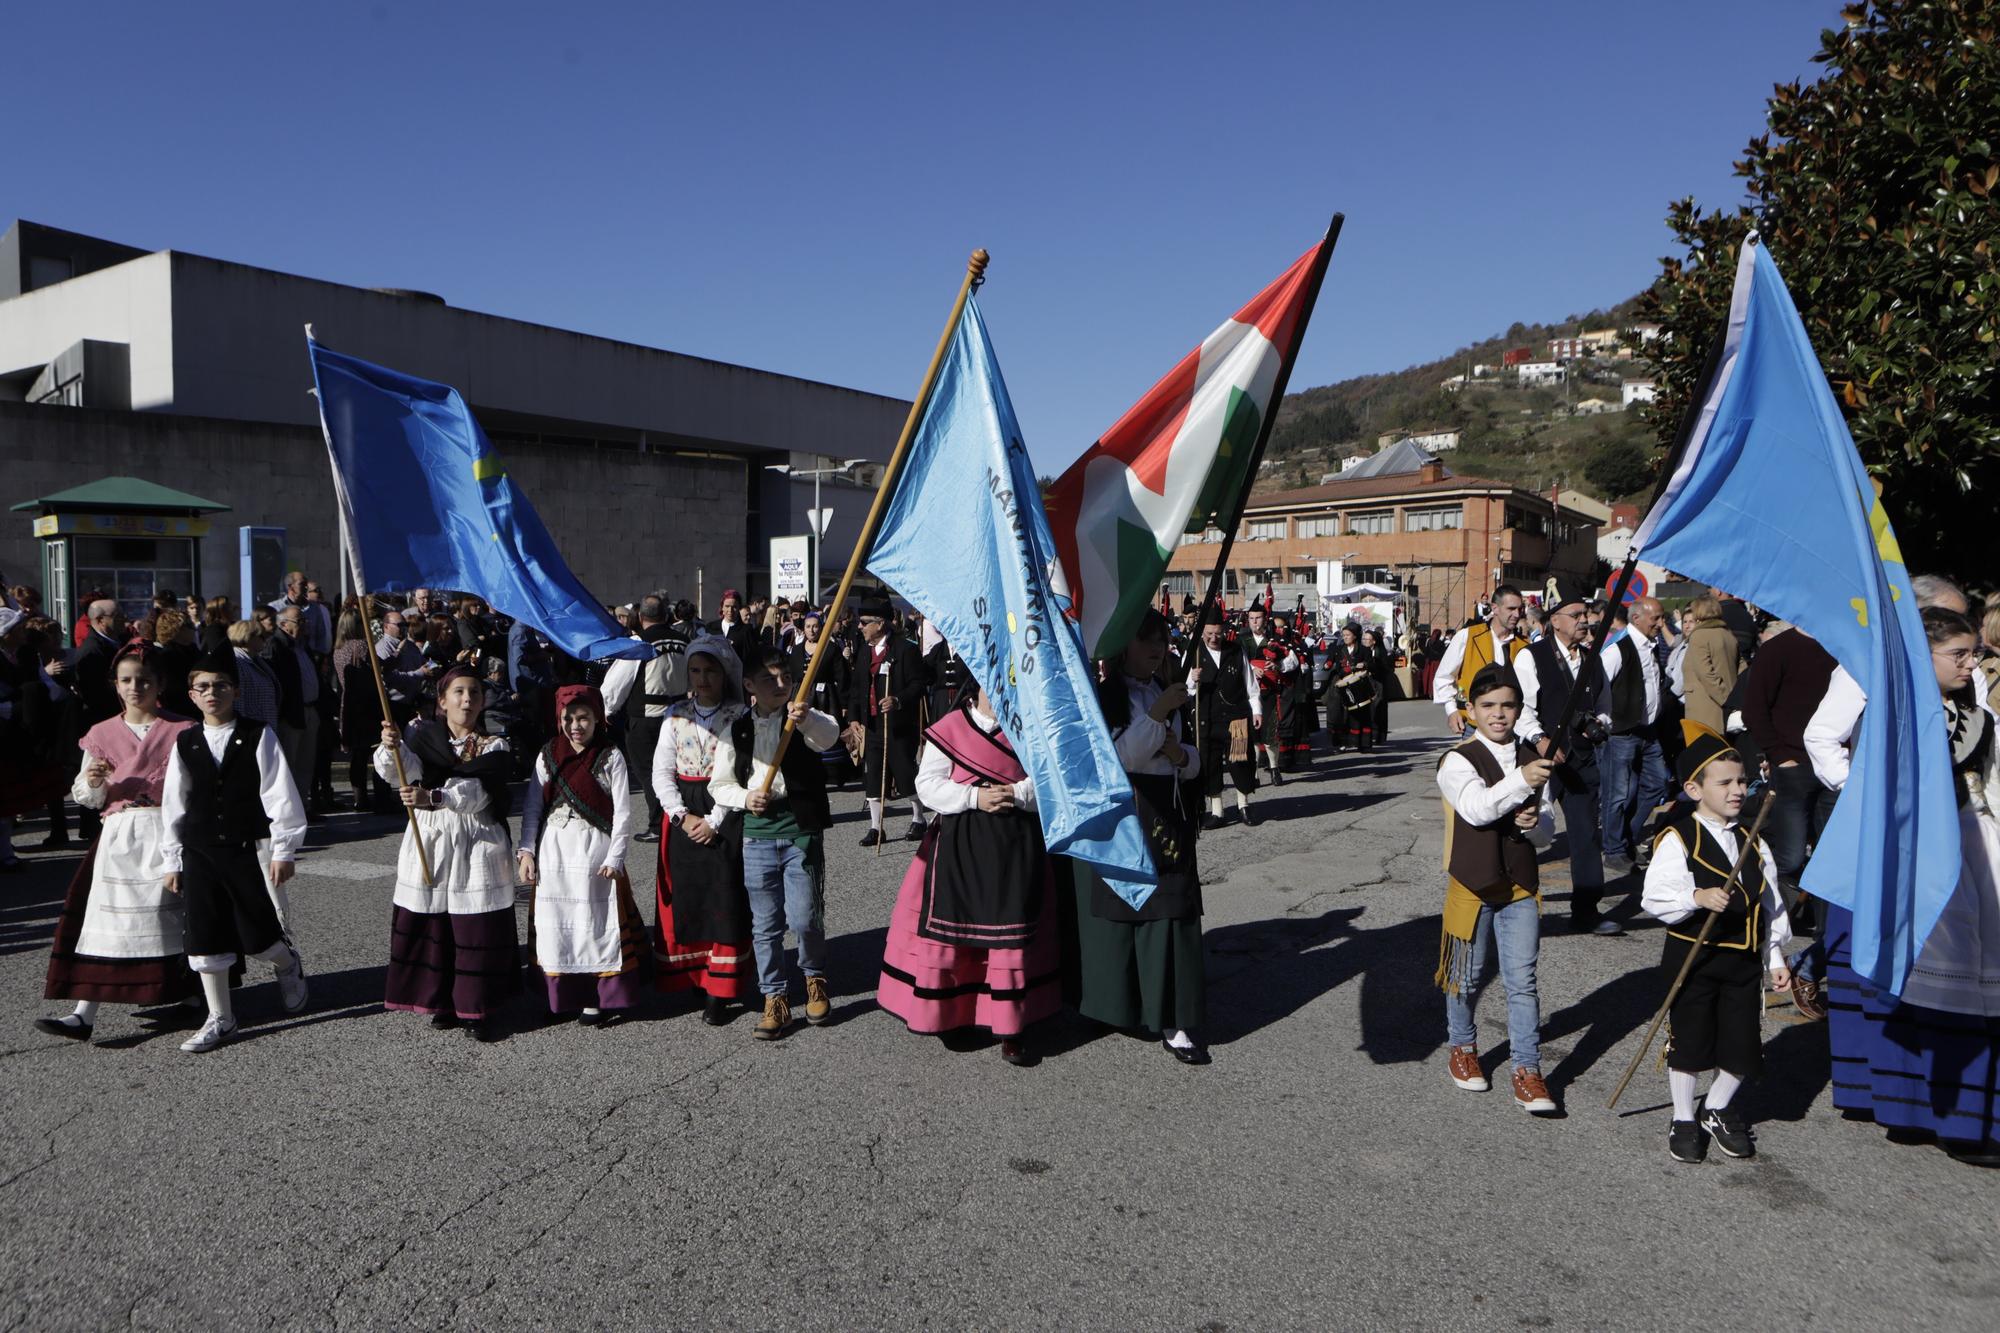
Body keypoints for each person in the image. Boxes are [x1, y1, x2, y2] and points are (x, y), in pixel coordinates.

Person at [1818, 607, 2000, 1165]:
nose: (1973, 665)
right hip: (1918, 844)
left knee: (1979, 972)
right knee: (1934, 976)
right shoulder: (1883, 684)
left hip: (1977, 836)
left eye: (1975, 653)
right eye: (1960, 654)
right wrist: (1873, 800)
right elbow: (1823, 738)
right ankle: (1942, 1117)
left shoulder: (1976, 699)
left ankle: (1970, 1114)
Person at [877, 683, 1056, 1065]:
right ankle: (951, 1013)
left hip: (1014, 843)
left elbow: (1048, 780)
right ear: (977, 685)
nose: (1003, 690)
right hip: (959, 843)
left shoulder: (1030, 727)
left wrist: (1016, 794)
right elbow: (927, 786)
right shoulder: (951, 725)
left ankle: (1011, 1026)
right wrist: (975, 797)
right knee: (954, 930)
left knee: (1010, 934)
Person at [1640, 722, 1792, 1162]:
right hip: (1695, 958)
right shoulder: (1678, 838)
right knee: (1691, 1041)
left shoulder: (1752, 840)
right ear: (1693, 788)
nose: (1737, 790)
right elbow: (1655, 896)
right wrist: (1696, 896)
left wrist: (1775, 956)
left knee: (1743, 1044)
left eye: (1742, 780)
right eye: (1724, 782)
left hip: (1743, 962)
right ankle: (1684, 1116)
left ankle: (1717, 1107)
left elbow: (1772, 906)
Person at [36, 644, 201, 1040]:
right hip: (120, 835)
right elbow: (86, 794)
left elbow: (199, 785)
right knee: (107, 921)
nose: (134, 687)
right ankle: (83, 1014)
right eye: (126, 680)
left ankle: (195, 998)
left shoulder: (183, 729)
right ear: (115, 685)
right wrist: (94, 783)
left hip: (167, 831)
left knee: (173, 917)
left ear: (160, 684)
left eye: (143, 680)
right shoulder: (101, 734)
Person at [1069, 610, 1210, 1063]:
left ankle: (1174, 1019)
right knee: (1119, 906)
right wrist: (1156, 716)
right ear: (1123, 646)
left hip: (1168, 810)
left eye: (1162, 641)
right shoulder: (1107, 696)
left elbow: (1192, 762)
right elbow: (1119, 759)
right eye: (1146, 640)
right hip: (1126, 813)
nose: (1156, 649)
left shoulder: (1164, 692)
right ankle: (1114, 1005)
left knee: (1170, 909)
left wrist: (1180, 753)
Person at [157, 646, 310, 1053]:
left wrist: (284, 850)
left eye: (220, 685)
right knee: (205, 938)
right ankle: (221, 1018)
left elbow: (279, 795)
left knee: (258, 935)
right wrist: (172, 858)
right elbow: (175, 802)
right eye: (203, 687)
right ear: (191, 694)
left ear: (235, 691)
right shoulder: (185, 741)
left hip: (247, 848)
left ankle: (287, 963)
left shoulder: (260, 734)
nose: (212, 693)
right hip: (201, 850)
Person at [1434, 664, 1559, 1115]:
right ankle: (1462, 1046)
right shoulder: (1458, 759)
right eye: (1488, 705)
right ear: (1471, 710)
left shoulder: (1531, 758)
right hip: (1471, 883)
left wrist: (1534, 824)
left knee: (1522, 982)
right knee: (1464, 976)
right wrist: (1520, 784)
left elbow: (1548, 830)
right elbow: (1475, 809)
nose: (1499, 714)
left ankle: (1527, 1068)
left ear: (1519, 709)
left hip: (1521, 885)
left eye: (1508, 705)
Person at [375, 664, 519, 1040]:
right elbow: (400, 772)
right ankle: (441, 1000)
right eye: (458, 692)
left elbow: (479, 793)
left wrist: (434, 796)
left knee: (473, 926)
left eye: (474, 692)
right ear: (442, 700)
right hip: (433, 838)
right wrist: (392, 748)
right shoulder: (421, 738)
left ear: (483, 700)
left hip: (476, 839)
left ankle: (476, 1006)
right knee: (435, 922)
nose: (467, 699)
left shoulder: (495, 745)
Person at [708, 646, 843, 1040]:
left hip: (800, 829)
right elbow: (720, 785)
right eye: (770, 679)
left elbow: (829, 736)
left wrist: (807, 719)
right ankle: (775, 998)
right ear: (749, 685)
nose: (781, 685)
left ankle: (815, 978)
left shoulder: (802, 716)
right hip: (758, 835)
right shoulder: (737, 729)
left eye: (786, 677)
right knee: (766, 925)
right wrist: (746, 798)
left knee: (804, 917)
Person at [518, 685, 644, 1026]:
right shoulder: (547, 755)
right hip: (554, 852)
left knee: (593, 923)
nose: (576, 725)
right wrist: (527, 851)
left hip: (594, 852)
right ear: (559, 719)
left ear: (597, 717)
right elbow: (532, 806)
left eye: (584, 717)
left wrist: (615, 857)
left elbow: (622, 812)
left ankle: (593, 997)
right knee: (555, 923)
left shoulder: (610, 755)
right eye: (568, 718)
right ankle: (557, 995)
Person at [649, 633, 756, 1022]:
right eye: (695, 670)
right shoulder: (674, 713)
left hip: (723, 809)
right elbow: (661, 771)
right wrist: (679, 815)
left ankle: (721, 988)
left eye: (710, 670)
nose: (702, 678)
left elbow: (742, 772)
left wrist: (714, 820)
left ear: (724, 672)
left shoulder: (740, 715)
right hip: (683, 810)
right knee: (687, 897)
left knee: (724, 898)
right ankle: (692, 976)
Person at [1741, 620, 1839, 1020]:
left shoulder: (1842, 646)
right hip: (1793, 765)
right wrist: (1778, 752)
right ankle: (1767, 927)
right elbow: (1753, 707)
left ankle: (1822, 942)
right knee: (1792, 857)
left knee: (1832, 862)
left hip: (1833, 769)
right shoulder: (1779, 649)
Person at [1515, 582, 1614, 934]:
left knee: (1586, 834)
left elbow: (1604, 708)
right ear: (1555, 620)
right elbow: (1521, 709)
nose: (1584, 620)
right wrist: (1539, 738)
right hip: (1541, 758)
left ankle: (1587, 908)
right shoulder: (1532, 655)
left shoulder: (1592, 658)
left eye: (1586, 614)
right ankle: (1516, 904)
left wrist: (1598, 726)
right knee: (1528, 830)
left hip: (1581, 759)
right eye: (1577, 615)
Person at [843, 601, 929, 845]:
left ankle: (918, 818)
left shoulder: (904, 649)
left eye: (864, 623)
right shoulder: (863, 650)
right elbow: (857, 686)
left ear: (880, 624)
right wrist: (854, 717)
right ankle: (875, 827)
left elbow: (918, 684)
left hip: (898, 725)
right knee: (873, 776)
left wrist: (898, 700)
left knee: (904, 771)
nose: (859, 627)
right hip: (871, 725)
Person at [1598, 598, 1671, 878]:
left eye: (1662, 618)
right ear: (1638, 618)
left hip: (1648, 730)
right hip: (1622, 732)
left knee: (1656, 783)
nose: (1660, 624)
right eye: (1656, 619)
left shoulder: (1649, 646)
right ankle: (1614, 849)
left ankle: (1625, 837)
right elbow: (1599, 685)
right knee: (1618, 793)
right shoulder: (1619, 649)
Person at [1191, 607, 1262, 827]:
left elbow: (1251, 684)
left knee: (1240, 761)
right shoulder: (1193, 652)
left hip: (1236, 717)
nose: (1214, 638)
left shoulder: (1236, 650)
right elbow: (1182, 689)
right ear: (1202, 631)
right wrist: (1192, 680)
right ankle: (1217, 811)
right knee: (1210, 764)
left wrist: (1256, 709)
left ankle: (1244, 806)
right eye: (1210, 634)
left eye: (1218, 634)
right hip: (1207, 718)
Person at [1431, 585, 1526, 736]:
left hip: (1512, 729)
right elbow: (1443, 676)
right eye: (1511, 608)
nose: (1517, 614)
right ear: (1495, 608)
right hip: (1474, 727)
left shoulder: (1525, 645)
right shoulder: (1468, 636)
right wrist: (1452, 710)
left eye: (1520, 609)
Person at [1241, 604, 1293, 787]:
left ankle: (1274, 768)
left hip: (1269, 692)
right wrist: (1252, 669)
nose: (1254, 622)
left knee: (1270, 734)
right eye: (1251, 618)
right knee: (1253, 736)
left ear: (1265, 619)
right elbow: (1235, 662)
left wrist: (1278, 665)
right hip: (1248, 694)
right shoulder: (1241, 640)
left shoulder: (1276, 639)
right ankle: (1254, 772)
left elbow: (1292, 660)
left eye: (1258, 618)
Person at [1680, 595, 1742, 736]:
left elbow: (1706, 674)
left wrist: (1726, 701)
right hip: (1723, 706)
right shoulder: (1728, 634)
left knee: (1706, 754)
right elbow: (1741, 667)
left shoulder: (1699, 636)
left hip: (1706, 709)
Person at [1327, 625, 1377, 754]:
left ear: (1355, 636)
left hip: (1359, 684)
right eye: (1343, 635)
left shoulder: (1364, 650)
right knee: (1340, 715)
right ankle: (1341, 743)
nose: (1345, 638)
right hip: (1343, 685)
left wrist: (1364, 664)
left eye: (1348, 635)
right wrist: (1327, 664)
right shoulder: (1338, 649)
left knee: (1362, 714)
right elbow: (1330, 663)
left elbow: (1371, 664)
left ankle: (1363, 743)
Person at [226, 620, 281, 729]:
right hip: (251, 731)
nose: (265, 639)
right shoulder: (236, 661)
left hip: (265, 727)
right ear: (247, 636)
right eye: (261, 636)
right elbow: (238, 702)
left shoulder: (257, 660)